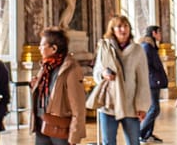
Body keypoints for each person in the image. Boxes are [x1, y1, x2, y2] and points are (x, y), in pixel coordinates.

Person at [92, 16, 150, 145]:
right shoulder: (105, 48)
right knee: (108, 142)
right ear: (112, 29)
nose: (123, 29)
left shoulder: (137, 50)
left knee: (133, 142)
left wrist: (142, 106)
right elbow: (96, 73)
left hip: (130, 106)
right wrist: (103, 74)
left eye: (126, 26)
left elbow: (143, 81)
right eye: (119, 26)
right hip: (109, 104)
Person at [31, 27, 87, 145]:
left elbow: (78, 106)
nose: (39, 48)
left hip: (60, 128)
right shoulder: (45, 67)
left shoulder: (71, 69)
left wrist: (74, 136)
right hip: (42, 124)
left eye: (42, 45)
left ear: (54, 48)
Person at [139, 26, 168, 143]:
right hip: (151, 81)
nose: (161, 35)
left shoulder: (150, 46)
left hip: (153, 80)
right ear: (154, 33)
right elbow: (149, 65)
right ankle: (140, 133)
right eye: (159, 32)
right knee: (154, 108)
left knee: (153, 108)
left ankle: (147, 134)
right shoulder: (147, 47)